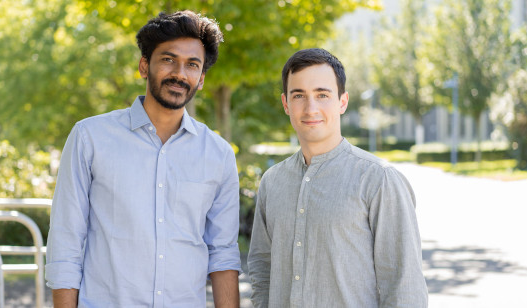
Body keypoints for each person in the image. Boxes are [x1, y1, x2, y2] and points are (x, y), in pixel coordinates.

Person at [45, 11, 241, 308]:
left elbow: (223, 253)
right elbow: (66, 241)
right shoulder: (90, 137)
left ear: (201, 80)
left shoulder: (219, 154)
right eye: (167, 59)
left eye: (192, 65)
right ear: (144, 66)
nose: (179, 73)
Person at [247, 48, 428, 307]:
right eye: (299, 95)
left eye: (322, 95)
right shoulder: (272, 182)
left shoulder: (379, 180)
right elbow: (262, 271)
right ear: (286, 104)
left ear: (342, 102)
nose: (311, 108)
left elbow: (404, 288)